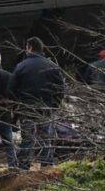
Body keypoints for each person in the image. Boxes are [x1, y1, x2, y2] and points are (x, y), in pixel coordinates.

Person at [9, 38, 65, 169]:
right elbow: (61, 88)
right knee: (45, 137)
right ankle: (46, 165)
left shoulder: (21, 66)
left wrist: (17, 104)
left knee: (27, 138)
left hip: (27, 107)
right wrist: (54, 104)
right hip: (45, 106)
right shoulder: (52, 66)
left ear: (30, 48)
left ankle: (24, 165)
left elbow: (11, 88)